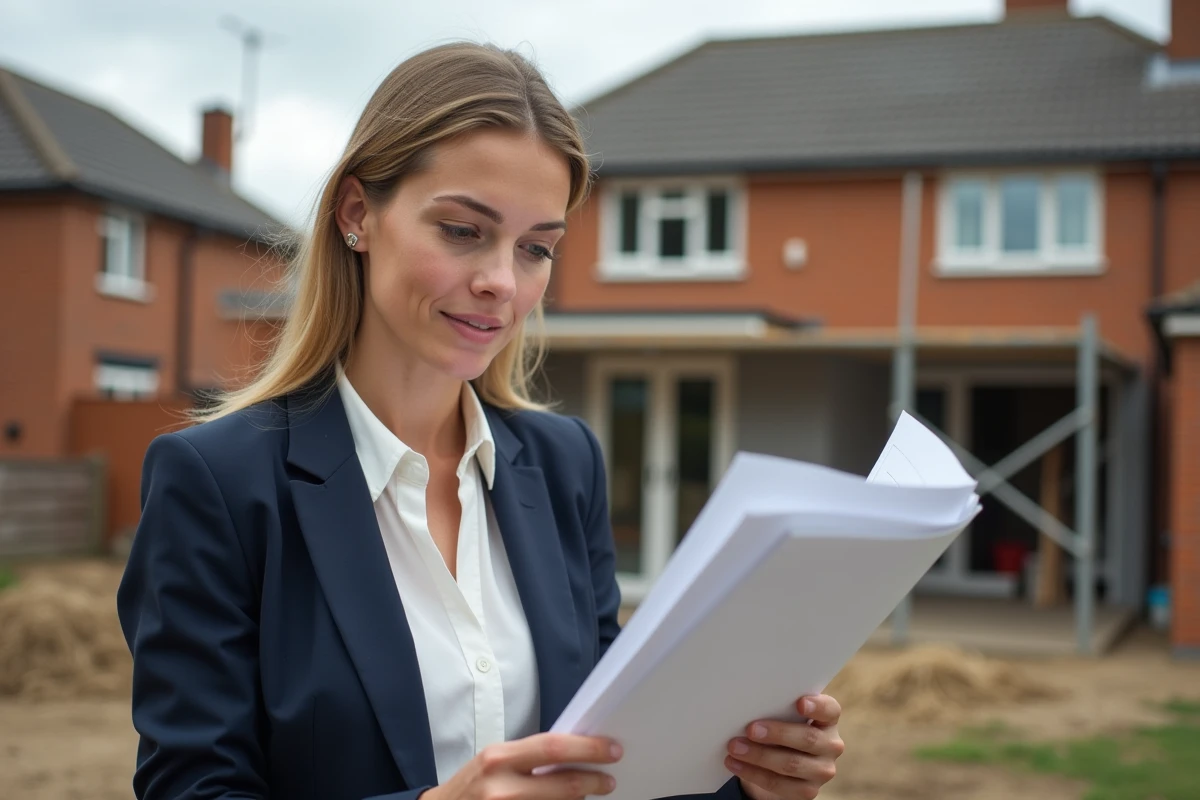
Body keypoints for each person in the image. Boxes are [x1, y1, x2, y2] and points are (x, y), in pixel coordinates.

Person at [116, 41, 846, 800]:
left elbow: (614, 763)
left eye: (536, 248)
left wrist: (749, 777)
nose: (501, 281)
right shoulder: (217, 484)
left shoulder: (565, 464)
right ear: (358, 214)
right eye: (463, 231)